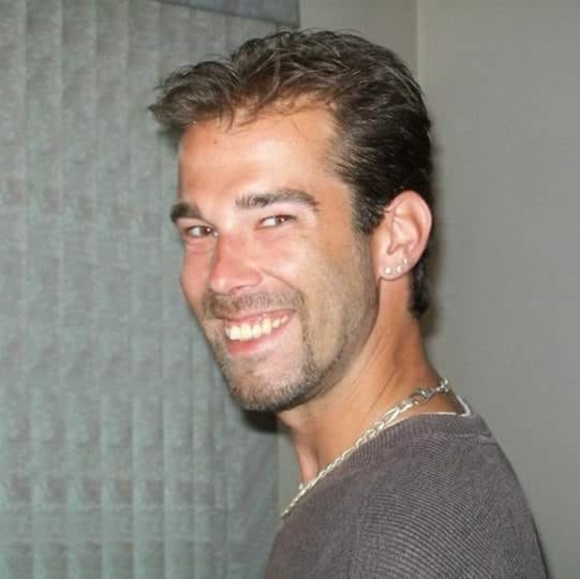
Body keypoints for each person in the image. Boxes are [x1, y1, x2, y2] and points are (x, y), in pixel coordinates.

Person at [150, 30, 547, 578]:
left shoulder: (412, 537)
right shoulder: (371, 482)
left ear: (397, 238)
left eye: (275, 219)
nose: (221, 278)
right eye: (200, 230)